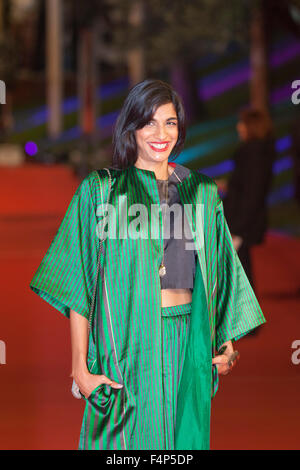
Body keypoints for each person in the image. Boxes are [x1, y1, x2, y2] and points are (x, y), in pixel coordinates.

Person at [29, 79, 266, 450]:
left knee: (180, 444)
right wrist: (80, 367)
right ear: (131, 127)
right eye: (149, 122)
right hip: (128, 341)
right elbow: (79, 281)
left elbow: (220, 272)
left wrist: (227, 342)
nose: (161, 134)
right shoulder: (101, 191)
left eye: (170, 123)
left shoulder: (200, 192)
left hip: (186, 340)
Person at [223, 108, 276, 293]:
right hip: (242, 222)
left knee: (236, 273)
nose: (239, 127)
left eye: (242, 123)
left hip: (240, 223)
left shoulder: (253, 153)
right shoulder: (260, 152)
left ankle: (245, 319)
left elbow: (252, 193)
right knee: (240, 271)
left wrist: (238, 229)